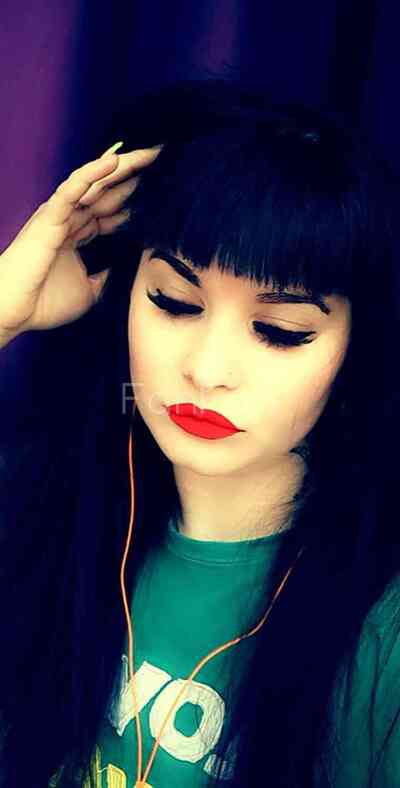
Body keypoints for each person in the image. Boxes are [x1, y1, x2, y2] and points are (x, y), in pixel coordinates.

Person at [0, 79, 399, 788]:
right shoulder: (34, 506)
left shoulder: (383, 634)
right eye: (175, 301)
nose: (208, 371)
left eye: (281, 331)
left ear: (355, 352)